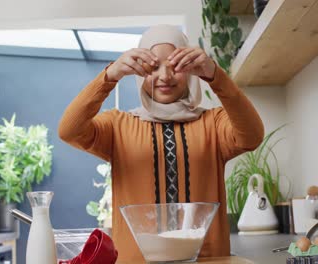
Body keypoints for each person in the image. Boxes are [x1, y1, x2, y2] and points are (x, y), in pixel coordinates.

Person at [58, 24, 264, 261]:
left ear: (191, 71)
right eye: (153, 67)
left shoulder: (213, 123)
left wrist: (215, 75)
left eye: (176, 66)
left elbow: (252, 135)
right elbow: (69, 130)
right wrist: (109, 76)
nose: (164, 76)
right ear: (138, 71)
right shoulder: (118, 126)